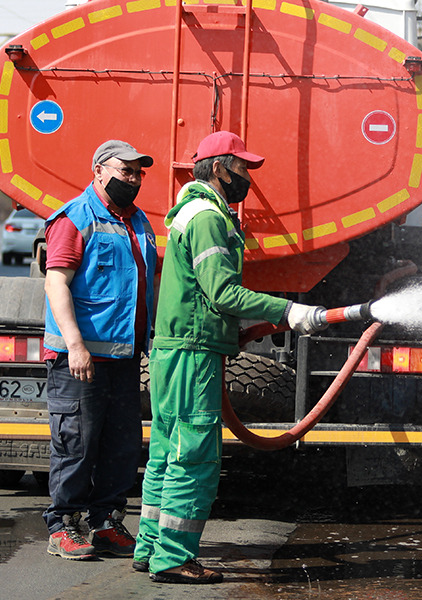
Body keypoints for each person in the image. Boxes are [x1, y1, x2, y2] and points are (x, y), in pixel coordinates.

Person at [133, 131, 326, 583]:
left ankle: (150, 548)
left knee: (165, 454)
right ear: (219, 168)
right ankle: (173, 558)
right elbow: (221, 291)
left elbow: (199, 294)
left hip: (175, 350)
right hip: (192, 355)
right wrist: (288, 311)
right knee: (193, 457)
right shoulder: (207, 218)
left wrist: (228, 333)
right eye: (242, 168)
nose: (247, 178)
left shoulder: (194, 211)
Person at [42, 139, 157, 561]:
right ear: (99, 171)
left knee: (121, 446)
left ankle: (105, 522)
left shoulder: (139, 222)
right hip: (81, 361)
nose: (134, 179)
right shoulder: (75, 218)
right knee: (76, 445)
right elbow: (56, 282)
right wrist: (75, 345)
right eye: (125, 171)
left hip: (123, 358)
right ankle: (63, 525)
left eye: (138, 173)